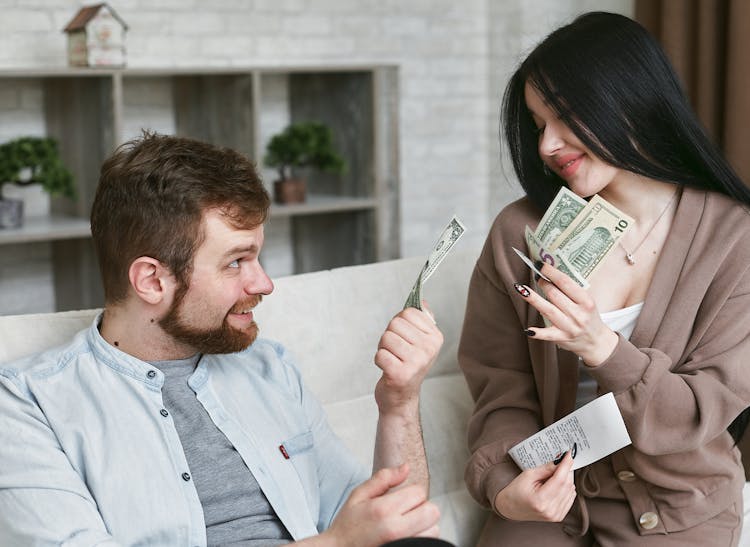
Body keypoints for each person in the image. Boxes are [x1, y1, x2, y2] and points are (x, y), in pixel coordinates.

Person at [0, 132, 445, 546]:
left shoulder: (270, 368)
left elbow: (387, 523)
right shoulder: (28, 404)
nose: (265, 283)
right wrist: (335, 544)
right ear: (152, 281)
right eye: (236, 262)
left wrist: (399, 400)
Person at [459, 11, 750, 546]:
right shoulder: (519, 232)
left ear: (632, 99)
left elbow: (700, 410)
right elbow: (502, 390)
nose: (547, 145)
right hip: (548, 503)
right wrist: (506, 488)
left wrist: (602, 348)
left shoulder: (734, 239)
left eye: (566, 117)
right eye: (538, 123)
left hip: (680, 511)